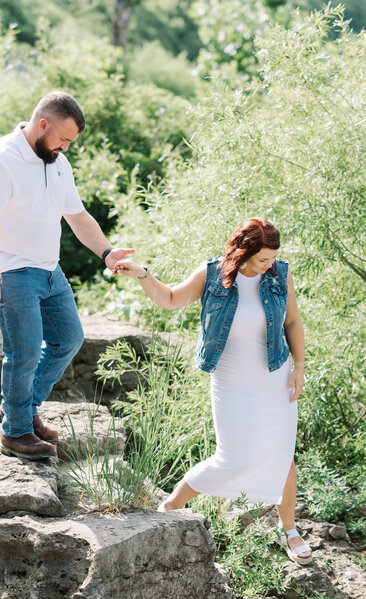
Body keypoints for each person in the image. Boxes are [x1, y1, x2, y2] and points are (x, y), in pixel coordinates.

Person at [113, 217, 312, 565]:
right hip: (231, 379)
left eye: (272, 259)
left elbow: (292, 321)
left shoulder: (280, 274)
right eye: (263, 259)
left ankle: (290, 530)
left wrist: (299, 367)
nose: (270, 265)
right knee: (232, 457)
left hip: (275, 376)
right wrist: (143, 275)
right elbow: (171, 298)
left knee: (283, 454)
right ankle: (172, 505)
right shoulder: (212, 274)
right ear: (244, 252)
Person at [0, 91, 134, 461]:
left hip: (49, 270)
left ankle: (22, 410)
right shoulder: (4, 160)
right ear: (43, 125)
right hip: (11, 272)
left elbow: (77, 216)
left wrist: (107, 253)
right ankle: (15, 432)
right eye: (64, 139)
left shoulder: (57, 162)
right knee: (23, 353)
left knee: (67, 339)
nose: (66, 148)